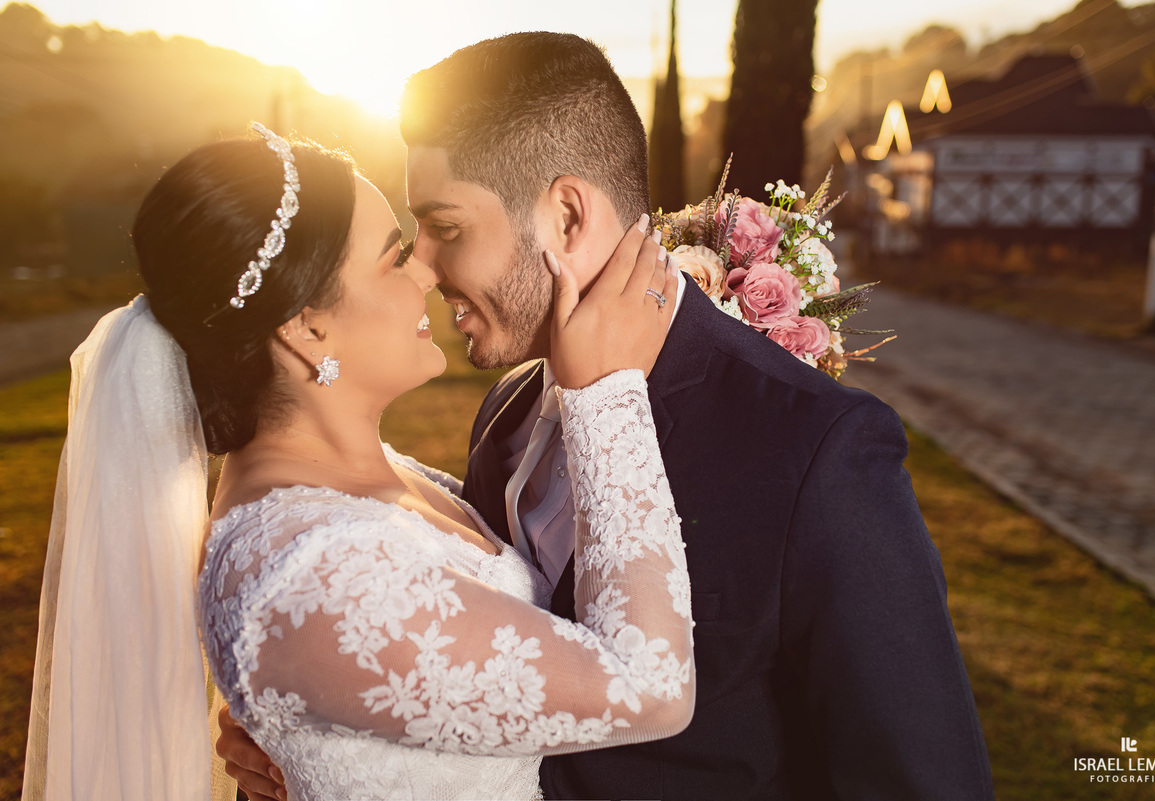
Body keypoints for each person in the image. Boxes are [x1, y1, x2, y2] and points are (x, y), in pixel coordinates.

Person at [220, 32, 995, 801]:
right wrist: (329, 736)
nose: (422, 266)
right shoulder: (508, 414)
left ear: (564, 217)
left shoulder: (814, 452)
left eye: (446, 227)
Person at [23, 121, 694, 801]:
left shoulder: (360, 482)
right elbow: (651, 687)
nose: (428, 271)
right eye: (394, 257)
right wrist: (605, 391)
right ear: (305, 327)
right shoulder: (311, 570)